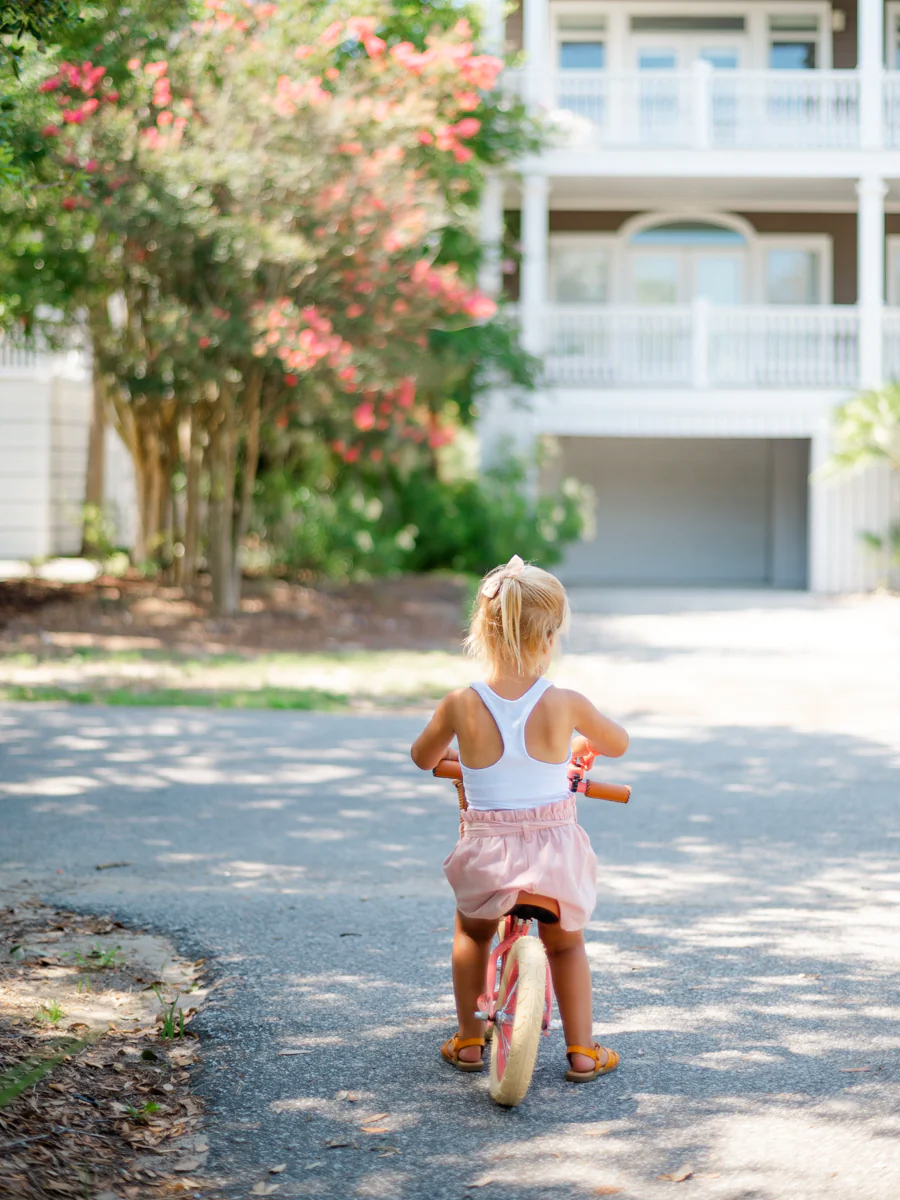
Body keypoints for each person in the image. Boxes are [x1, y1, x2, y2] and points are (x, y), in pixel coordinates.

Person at [410, 554, 629, 1082]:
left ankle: (469, 1041)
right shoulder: (566, 702)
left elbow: (423, 757)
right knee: (566, 944)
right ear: (549, 639)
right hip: (554, 851)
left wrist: (463, 759)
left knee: (472, 934)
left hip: (488, 849)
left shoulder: (460, 704)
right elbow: (617, 742)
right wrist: (580, 745)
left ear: (483, 633)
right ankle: (583, 1051)